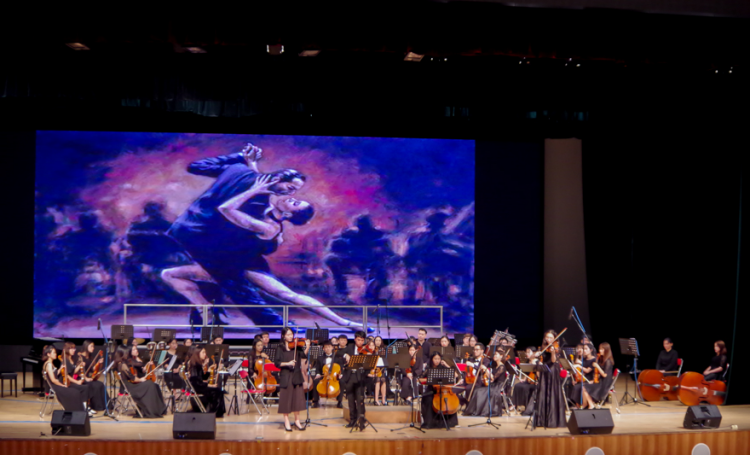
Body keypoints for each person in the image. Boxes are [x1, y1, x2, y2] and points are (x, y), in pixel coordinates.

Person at [522, 330, 566, 428]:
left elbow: (553, 361)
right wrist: (536, 355)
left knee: (552, 392)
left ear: (554, 338)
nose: (548, 339)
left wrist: (553, 352)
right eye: (547, 337)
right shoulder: (542, 347)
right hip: (544, 370)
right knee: (543, 392)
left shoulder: (556, 348)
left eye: (551, 337)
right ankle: (542, 420)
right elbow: (536, 357)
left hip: (552, 371)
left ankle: (552, 420)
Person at [113, 345, 166, 418]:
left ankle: (155, 410)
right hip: (129, 386)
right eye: (126, 353)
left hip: (130, 384)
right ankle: (150, 411)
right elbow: (133, 378)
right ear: (122, 353)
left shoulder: (121, 362)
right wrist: (141, 379)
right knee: (149, 384)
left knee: (151, 384)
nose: (127, 354)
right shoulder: (122, 364)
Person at [275, 328, 310, 431]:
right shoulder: (280, 348)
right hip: (286, 375)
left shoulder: (296, 346)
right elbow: (277, 363)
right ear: (283, 336)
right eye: (288, 334)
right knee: (286, 399)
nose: (290, 336)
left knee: (297, 399)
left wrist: (307, 346)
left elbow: (303, 355)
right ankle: (286, 421)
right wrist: (288, 363)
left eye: (291, 334)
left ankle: (297, 421)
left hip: (296, 375)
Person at [335, 330, 368, 429]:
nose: (360, 342)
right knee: (351, 401)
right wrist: (346, 355)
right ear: (355, 339)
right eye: (358, 340)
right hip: (349, 377)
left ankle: (361, 422)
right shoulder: (350, 347)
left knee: (360, 401)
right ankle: (352, 421)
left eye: (362, 340)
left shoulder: (365, 350)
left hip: (360, 378)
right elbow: (338, 352)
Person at [62, 342, 106, 413]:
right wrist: (82, 379)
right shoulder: (76, 358)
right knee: (91, 386)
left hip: (79, 378)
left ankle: (104, 405)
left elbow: (92, 369)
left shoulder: (86, 358)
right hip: (74, 380)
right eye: (91, 346)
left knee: (100, 384)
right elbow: (73, 373)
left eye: (74, 348)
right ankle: (90, 407)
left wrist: (98, 363)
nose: (74, 350)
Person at [420, 351, 460, 429]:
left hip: (444, 390)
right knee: (428, 400)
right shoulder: (428, 369)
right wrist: (430, 379)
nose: (437, 361)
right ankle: (430, 422)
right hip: (432, 390)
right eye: (435, 359)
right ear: (432, 359)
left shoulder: (443, 368)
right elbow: (420, 379)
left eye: (438, 359)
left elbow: (456, 375)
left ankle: (449, 422)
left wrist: (446, 365)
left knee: (449, 401)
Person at [42, 345, 88, 413]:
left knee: (76, 391)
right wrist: (63, 385)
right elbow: (53, 380)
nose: (55, 354)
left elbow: (55, 374)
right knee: (75, 392)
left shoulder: (51, 363)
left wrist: (60, 369)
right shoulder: (48, 364)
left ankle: (79, 411)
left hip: (56, 385)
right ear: (48, 354)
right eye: (54, 352)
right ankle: (76, 411)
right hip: (55, 387)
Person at [464, 348, 506, 417]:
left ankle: (481, 411)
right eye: (494, 354)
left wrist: (485, 369)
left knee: (480, 391)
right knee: (477, 390)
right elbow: (490, 378)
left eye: (496, 354)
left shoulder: (502, 367)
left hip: (498, 386)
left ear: (501, 356)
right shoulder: (495, 365)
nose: (494, 356)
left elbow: (493, 377)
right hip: (493, 384)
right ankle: (475, 410)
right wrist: (484, 372)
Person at [188, 346, 226, 417]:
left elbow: (203, 378)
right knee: (218, 391)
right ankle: (215, 412)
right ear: (198, 353)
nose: (205, 354)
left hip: (200, 386)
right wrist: (210, 385)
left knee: (219, 390)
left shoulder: (198, 365)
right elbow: (196, 382)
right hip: (197, 388)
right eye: (203, 352)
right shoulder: (195, 366)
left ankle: (217, 412)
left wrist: (209, 369)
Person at [311, 341, 344, 408]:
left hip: (334, 376)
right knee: (315, 381)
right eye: (326, 347)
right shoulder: (320, 358)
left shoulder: (337, 358)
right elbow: (317, 368)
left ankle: (339, 401)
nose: (328, 348)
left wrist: (341, 374)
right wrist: (318, 374)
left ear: (332, 347)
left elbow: (341, 368)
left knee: (342, 382)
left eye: (329, 347)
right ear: (323, 349)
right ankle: (315, 401)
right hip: (324, 376)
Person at [569, 343, 597, 408]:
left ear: (591, 350)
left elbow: (587, 370)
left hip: (589, 379)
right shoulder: (584, 359)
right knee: (573, 385)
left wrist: (579, 365)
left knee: (578, 387)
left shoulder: (594, 360)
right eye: (583, 349)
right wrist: (577, 379)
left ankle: (582, 405)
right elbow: (581, 372)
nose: (584, 350)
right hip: (583, 378)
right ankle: (577, 404)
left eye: (586, 349)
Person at [511, 346, 537, 411]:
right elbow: (527, 373)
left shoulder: (537, 362)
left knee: (525, 388)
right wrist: (524, 379)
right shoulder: (528, 361)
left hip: (534, 382)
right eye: (526, 352)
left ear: (534, 353)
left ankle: (527, 406)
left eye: (528, 352)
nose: (526, 354)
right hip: (528, 381)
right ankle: (515, 404)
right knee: (517, 385)